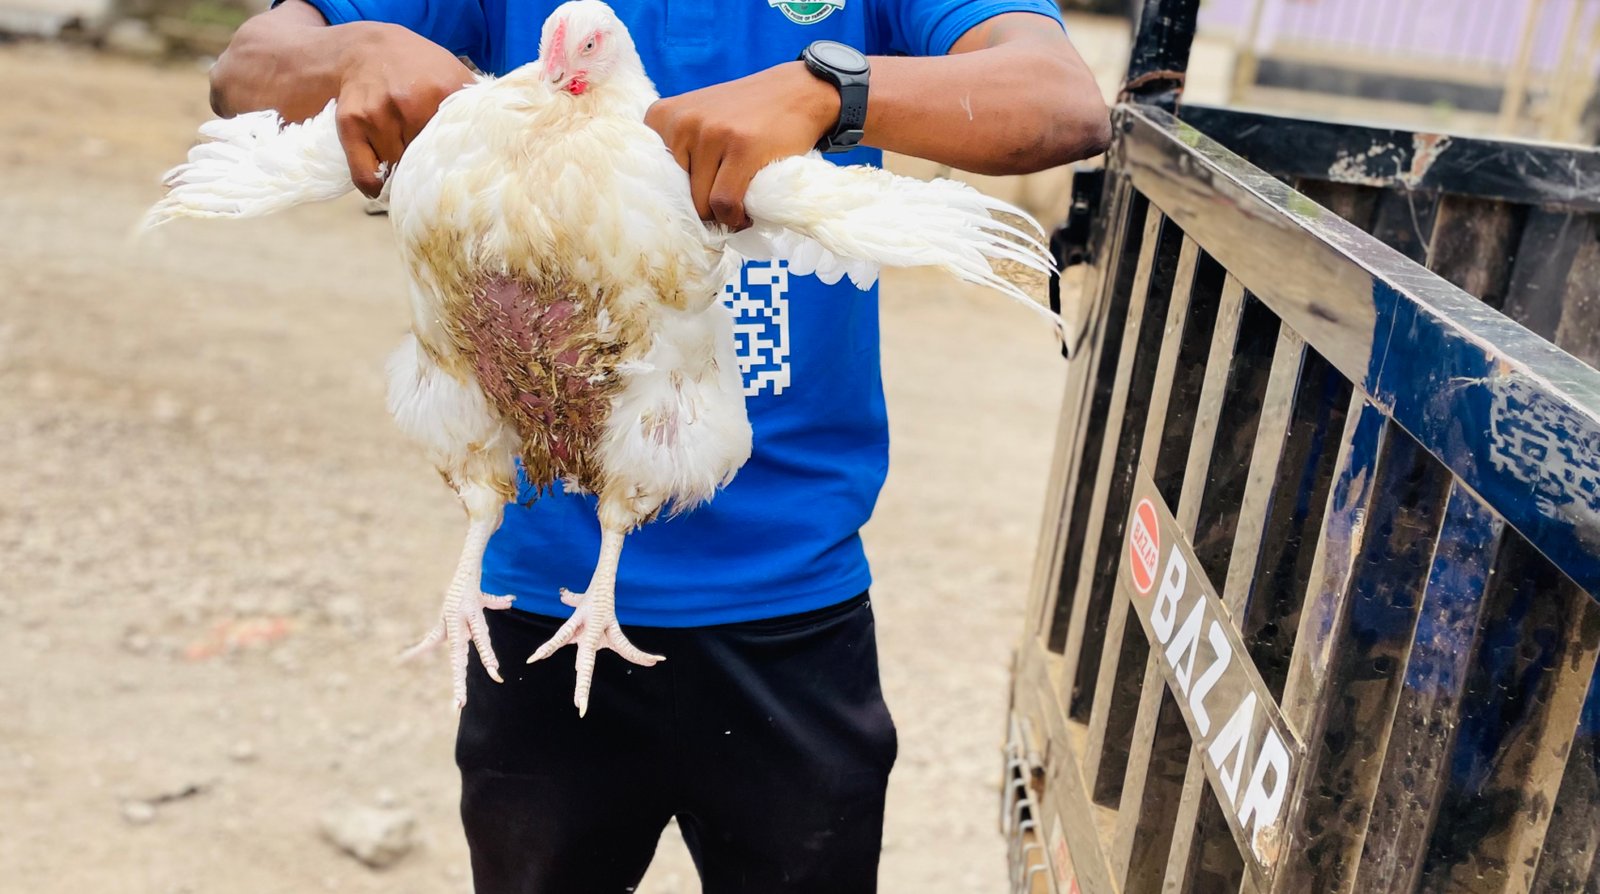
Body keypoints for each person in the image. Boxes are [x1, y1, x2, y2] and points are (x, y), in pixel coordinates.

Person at [209, 1, 1108, 890]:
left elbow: (1060, 99)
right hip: (543, 603)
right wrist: (358, 49)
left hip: (793, 606)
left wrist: (830, 91)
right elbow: (246, 67)